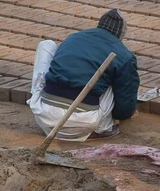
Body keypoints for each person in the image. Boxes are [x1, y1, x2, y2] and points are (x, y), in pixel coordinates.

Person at [27, 9, 139, 141]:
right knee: (115, 81)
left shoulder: (74, 37)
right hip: (83, 124)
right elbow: (124, 110)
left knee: (46, 45)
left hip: (44, 117)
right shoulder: (124, 55)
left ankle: (36, 98)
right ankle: (103, 127)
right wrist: (128, 113)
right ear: (120, 35)